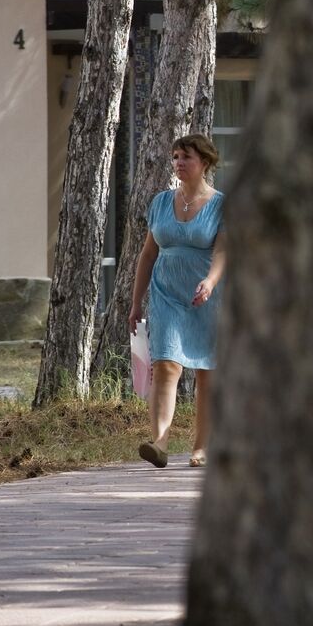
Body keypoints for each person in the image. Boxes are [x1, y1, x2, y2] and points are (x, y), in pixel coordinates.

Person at [129, 135, 227, 469]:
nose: (178, 163)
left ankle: (201, 447)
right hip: (166, 293)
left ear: (205, 163)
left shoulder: (220, 204)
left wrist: (211, 282)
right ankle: (160, 443)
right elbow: (148, 253)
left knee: (206, 372)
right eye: (175, 157)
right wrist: (135, 303)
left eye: (186, 157)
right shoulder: (159, 202)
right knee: (166, 365)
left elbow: (224, 251)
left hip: (206, 295)